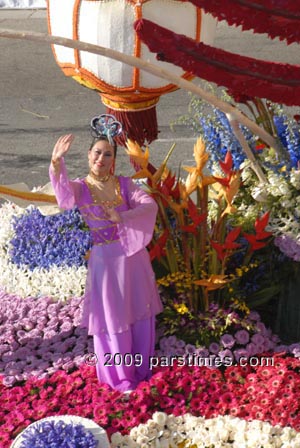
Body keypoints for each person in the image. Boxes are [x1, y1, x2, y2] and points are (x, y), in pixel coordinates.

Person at [49, 115, 163, 393]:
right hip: (105, 263)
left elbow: (149, 205)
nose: (101, 158)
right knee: (113, 318)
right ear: (89, 156)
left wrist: (123, 216)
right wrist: (56, 163)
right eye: (97, 152)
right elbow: (64, 199)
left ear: (114, 159)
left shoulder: (125, 185)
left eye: (107, 154)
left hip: (133, 260)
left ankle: (140, 368)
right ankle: (120, 377)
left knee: (138, 313)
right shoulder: (81, 187)